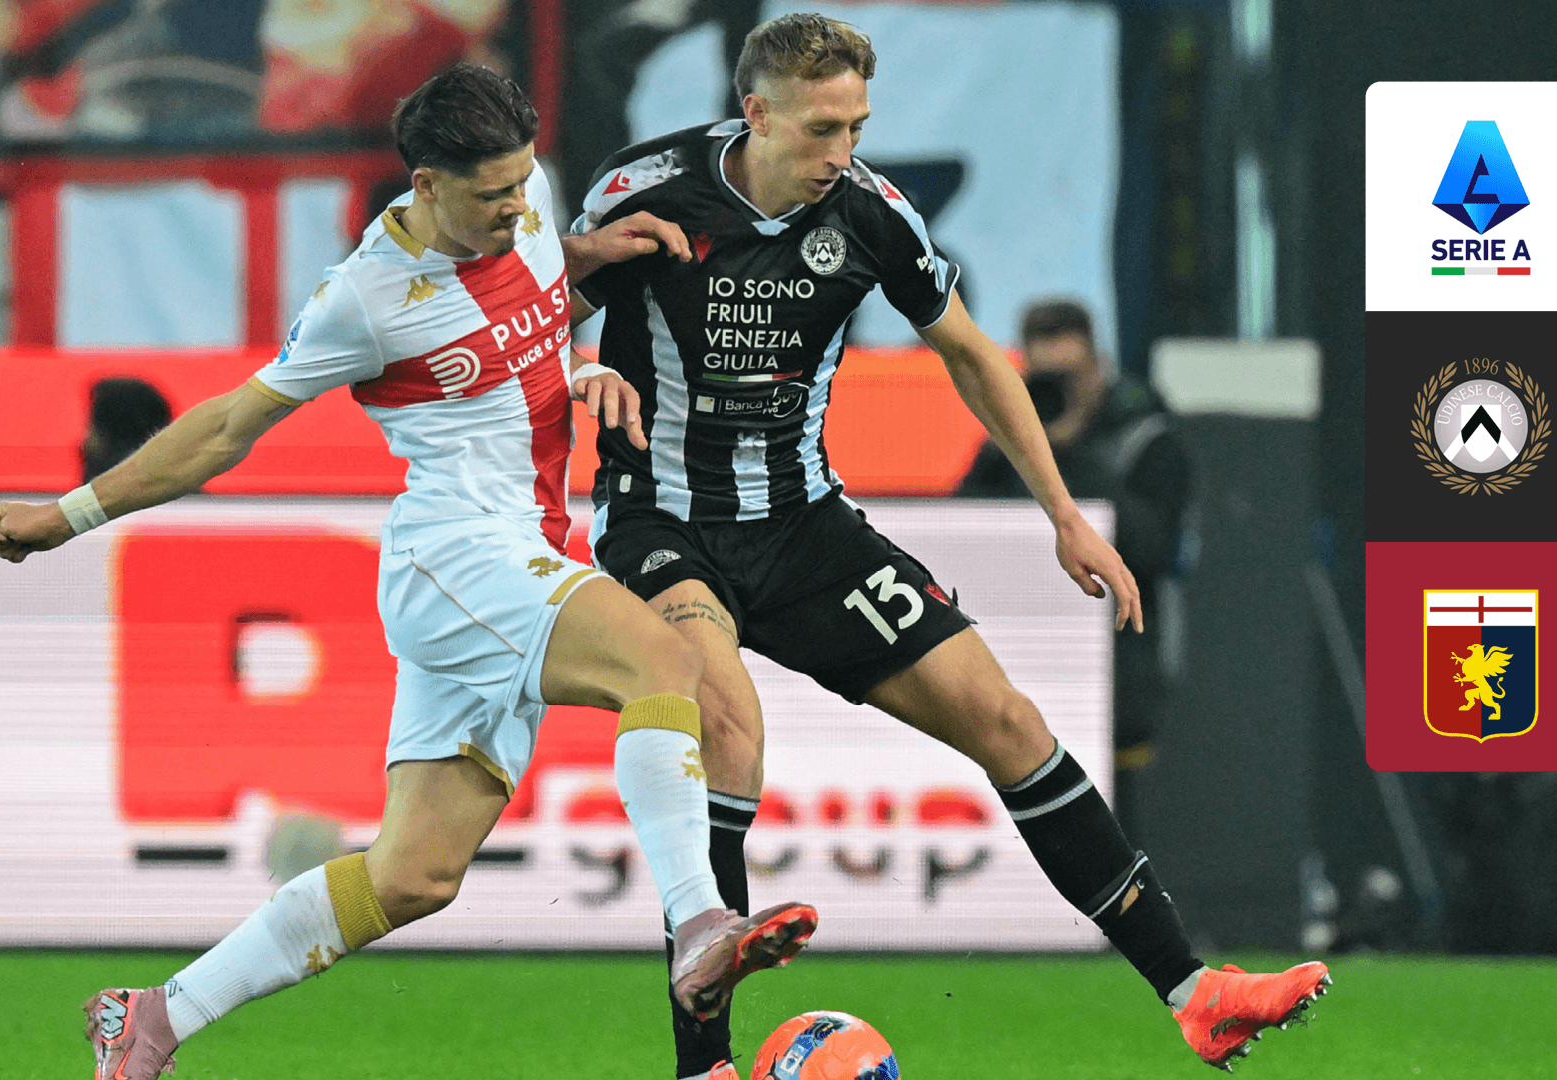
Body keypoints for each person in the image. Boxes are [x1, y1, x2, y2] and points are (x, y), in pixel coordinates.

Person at [0, 63, 818, 1080]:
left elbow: (534, 294)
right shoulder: (368, 297)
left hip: (517, 563)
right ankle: (699, 924)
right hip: (459, 554)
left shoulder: (523, 209)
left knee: (414, 875)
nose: (517, 206)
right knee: (664, 662)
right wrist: (65, 517)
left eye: (523, 182)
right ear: (426, 185)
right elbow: (227, 427)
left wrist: (587, 284)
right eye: (492, 193)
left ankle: (152, 1016)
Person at [568, 14, 1328, 1077]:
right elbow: (533, 305)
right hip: (662, 518)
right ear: (756, 113)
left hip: (804, 525)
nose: (843, 152)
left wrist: (1064, 513)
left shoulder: (870, 214)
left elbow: (972, 355)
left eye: (857, 126)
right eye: (823, 128)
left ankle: (1195, 994)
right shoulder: (646, 187)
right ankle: (706, 1066)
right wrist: (577, 364)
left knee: (1007, 720)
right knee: (726, 723)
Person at [957, 299, 1192, 840]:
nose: (1055, 393)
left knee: (1114, 825)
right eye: (1043, 380)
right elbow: (962, 531)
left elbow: (1153, 549)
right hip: (1021, 658)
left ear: (1098, 370)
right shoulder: (1007, 448)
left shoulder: (1144, 439)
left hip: (1115, 669)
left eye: (1068, 378)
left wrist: (1071, 453)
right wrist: (1027, 442)